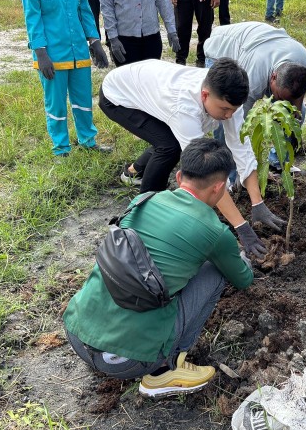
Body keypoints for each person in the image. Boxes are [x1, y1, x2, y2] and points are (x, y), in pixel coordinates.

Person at [63, 138, 254, 397]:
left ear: (178, 176)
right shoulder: (215, 232)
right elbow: (243, 279)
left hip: (76, 333)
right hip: (127, 362)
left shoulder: (143, 200)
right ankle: (164, 370)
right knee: (216, 271)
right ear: (219, 188)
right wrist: (241, 258)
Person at [99, 57, 285, 257]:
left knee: (170, 141)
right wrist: (242, 227)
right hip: (117, 94)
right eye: (225, 109)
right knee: (169, 147)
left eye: (234, 109)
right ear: (205, 95)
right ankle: (144, 215)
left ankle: (133, 171)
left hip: (148, 82)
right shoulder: (184, 107)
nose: (229, 115)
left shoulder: (225, 97)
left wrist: (257, 203)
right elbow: (205, 172)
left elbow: (241, 147)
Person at [19, 0, 110, 157]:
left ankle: (88, 141)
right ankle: (61, 148)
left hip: (78, 51)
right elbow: (33, 19)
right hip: (52, 54)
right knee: (56, 104)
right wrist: (40, 54)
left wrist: (94, 41)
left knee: (83, 101)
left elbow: (85, 12)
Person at [204, 21, 306, 175]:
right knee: (225, 116)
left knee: (298, 112)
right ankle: (230, 173)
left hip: (259, 43)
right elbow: (238, 122)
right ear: (273, 77)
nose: (280, 102)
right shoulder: (253, 76)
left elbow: (300, 94)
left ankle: (279, 162)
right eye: (279, 96)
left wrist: (294, 112)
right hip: (222, 47)